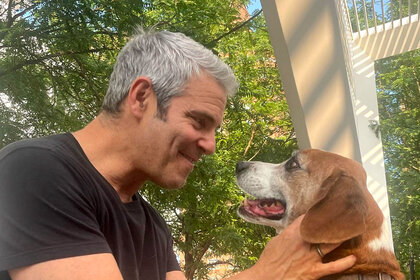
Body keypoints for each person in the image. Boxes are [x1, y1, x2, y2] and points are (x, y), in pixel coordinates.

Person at [0, 28, 356, 280]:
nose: (210, 145)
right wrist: (266, 274)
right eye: (199, 121)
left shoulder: (153, 226)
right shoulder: (33, 171)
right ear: (141, 97)